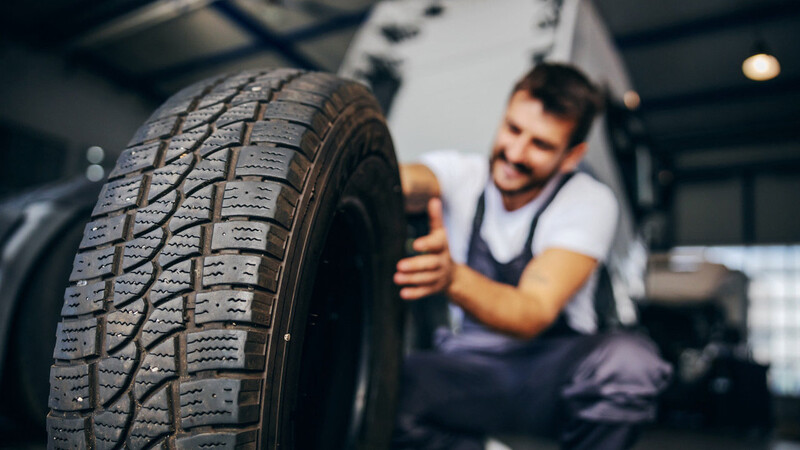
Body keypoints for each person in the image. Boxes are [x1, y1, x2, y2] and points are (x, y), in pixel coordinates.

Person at [392, 63, 672, 450]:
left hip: (551, 375)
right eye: (512, 129)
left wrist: (453, 278)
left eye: (541, 144)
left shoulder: (587, 201)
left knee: (628, 365)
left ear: (572, 155)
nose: (515, 153)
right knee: (385, 389)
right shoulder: (462, 176)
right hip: (470, 369)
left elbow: (533, 312)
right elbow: (400, 179)